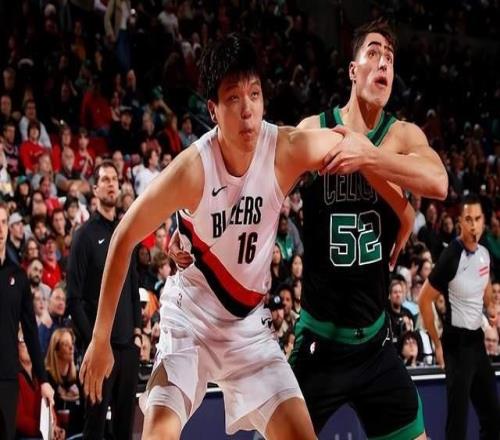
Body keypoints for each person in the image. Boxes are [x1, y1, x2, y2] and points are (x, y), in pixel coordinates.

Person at [79, 34, 413, 440]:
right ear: (213, 110)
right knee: (158, 434)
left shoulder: (285, 149)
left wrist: (403, 210)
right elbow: (124, 236)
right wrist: (100, 338)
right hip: (190, 320)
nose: (247, 110)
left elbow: (358, 148)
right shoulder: (192, 169)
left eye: (254, 94)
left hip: (248, 327)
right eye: (233, 98)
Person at [292, 18, 448, 439]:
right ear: (352, 69)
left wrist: (367, 156)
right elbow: (264, 185)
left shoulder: (401, 135)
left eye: (390, 59)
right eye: (373, 53)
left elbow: (438, 182)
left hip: (376, 344)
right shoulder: (315, 129)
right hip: (319, 343)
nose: (383, 64)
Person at [67, 161, 141, 439]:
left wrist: (137, 333)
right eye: (105, 180)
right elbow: (73, 299)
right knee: (94, 430)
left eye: (114, 179)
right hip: (99, 353)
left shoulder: (126, 232)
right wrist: (96, 344)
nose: (111, 184)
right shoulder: (83, 236)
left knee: (125, 432)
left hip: (127, 351)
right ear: (95, 189)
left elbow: (133, 286)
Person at [419, 194, 500, 439]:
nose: (473, 225)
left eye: (478, 219)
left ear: (484, 220)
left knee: (493, 419)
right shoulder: (451, 256)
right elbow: (424, 299)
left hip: (477, 342)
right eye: (468, 219)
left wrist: (491, 308)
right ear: (460, 223)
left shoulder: (484, 253)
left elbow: (484, 283)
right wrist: (437, 344)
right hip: (456, 345)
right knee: (457, 425)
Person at [0, 202, 54, 440]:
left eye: (3, 222)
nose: (0, 229)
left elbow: (31, 332)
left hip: (7, 376)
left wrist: (43, 380)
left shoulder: (18, 276)